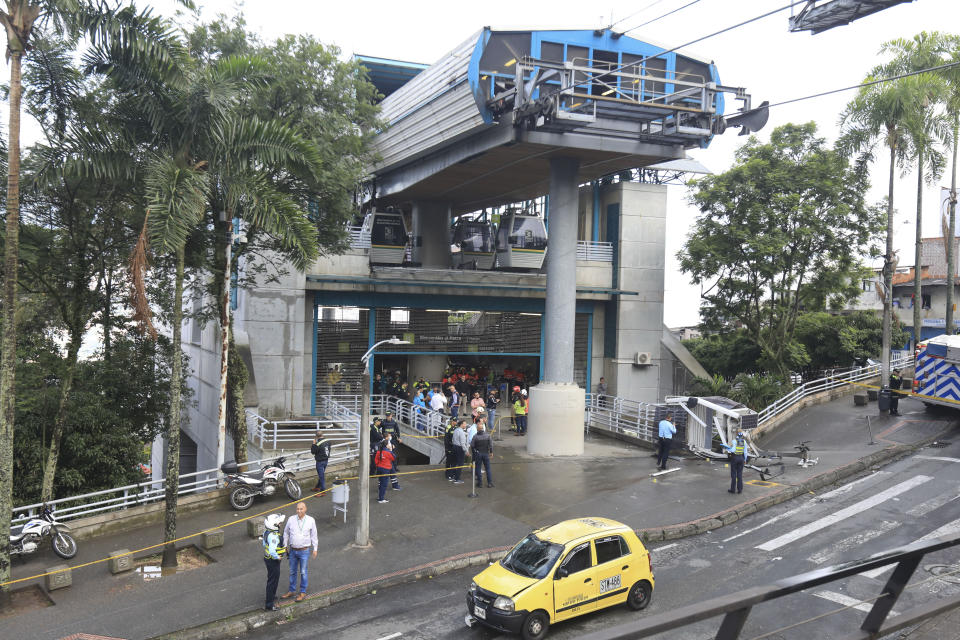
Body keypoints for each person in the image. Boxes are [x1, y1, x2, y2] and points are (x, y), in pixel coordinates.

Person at [280, 502, 317, 603]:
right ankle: (292, 590)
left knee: (303, 572)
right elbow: (286, 533)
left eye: (301, 509)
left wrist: (315, 548)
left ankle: (302, 592)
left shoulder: (310, 520)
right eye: (297, 509)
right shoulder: (291, 519)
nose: (299, 511)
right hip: (293, 550)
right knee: (292, 571)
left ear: (305, 509)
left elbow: (314, 535)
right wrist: (285, 545)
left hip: (304, 550)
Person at [262, 513, 287, 611]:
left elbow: (264, 544)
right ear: (274, 525)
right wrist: (278, 557)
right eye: (279, 523)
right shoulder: (273, 536)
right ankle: (269, 604)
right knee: (273, 581)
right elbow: (272, 551)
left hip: (268, 559)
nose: (280, 524)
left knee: (271, 579)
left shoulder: (267, 532)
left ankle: (271, 596)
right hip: (273, 561)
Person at [722, 429, 749, 494]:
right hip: (741, 458)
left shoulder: (734, 441)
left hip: (735, 458)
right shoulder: (744, 441)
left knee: (733, 474)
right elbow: (745, 452)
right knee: (739, 474)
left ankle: (733, 489)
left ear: (736, 434)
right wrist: (745, 460)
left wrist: (728, 448)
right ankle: (740, 490)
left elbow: (733, 450)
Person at [472, 421, 494, 488]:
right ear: (483, 429)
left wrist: (474, 453)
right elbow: (491, 445)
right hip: (486, 453)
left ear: (477, 429)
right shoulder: (488, 436)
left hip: (478, 454)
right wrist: (491, 452)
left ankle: (480, 483)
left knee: (478, 468)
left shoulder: (475, 437)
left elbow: (472, 446)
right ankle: (489, 483)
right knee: (488, 468)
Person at [451, 419, 469, 484]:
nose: (466, 425)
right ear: (461, 424)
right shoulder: (461, 432)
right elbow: (462, 443)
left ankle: (452, 476)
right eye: (465, 423)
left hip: (454, 447)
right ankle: (457, 479)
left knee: (454, 462)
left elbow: (453, 439)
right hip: (460, 448)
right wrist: (466, 451)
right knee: (460, 464)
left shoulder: (456, 430)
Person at [443, 416, 458, 481]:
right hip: (449, 447)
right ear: (452, 421)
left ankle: (453, 473)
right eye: (455, 421)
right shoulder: (448, 428)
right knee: (449, 461)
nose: (456, 422)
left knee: (454, 461)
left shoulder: (456, 428)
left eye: (456, 421)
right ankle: (448, 474)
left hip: (455, 447)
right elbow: (446, 439)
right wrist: (447, 448)